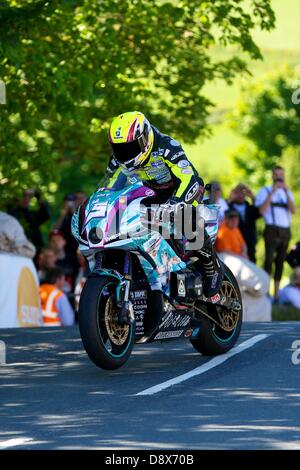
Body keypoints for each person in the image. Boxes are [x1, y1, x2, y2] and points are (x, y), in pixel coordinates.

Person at [105, 111, 224, 297]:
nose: (125, 154)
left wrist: (177, 202)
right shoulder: (118, 161)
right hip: (152, 193)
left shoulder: (167, 146)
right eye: (120, 149)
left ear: (145, 138)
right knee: (126, 220)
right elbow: (108, 187)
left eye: (130, 147)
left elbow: (187, 177)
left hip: (184, 187)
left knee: (182, 215)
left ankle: (211, 265)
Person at [255, 166, 296, 299]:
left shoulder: (286, 192)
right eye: (277, 175)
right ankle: (266, 292)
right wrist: (272, 193)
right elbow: (261, 211)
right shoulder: (265, 190)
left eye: (281, 175)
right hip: (272, 229)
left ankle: (277, 294)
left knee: (280, 261)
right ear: (272, 176)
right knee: (268, 260)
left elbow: (293, 210)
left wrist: (286, 191)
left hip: (285, 230)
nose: (279, 178)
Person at [9, 189, 50, 253]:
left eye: (29, 197)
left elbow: (46, 214)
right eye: (23, 196)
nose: (26, 199)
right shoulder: (12, 215)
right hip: (18, 250)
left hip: (36, 251)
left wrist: (37, 194)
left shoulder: (32, 216)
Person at [227, 183, 260, 263]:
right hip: (234, 242)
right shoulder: (229, 207)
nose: (240, 195)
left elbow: (260, 212)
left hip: (250, 243)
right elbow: (223, 210)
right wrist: (231, 198)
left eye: (243, 192)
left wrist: (252, 197)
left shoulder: (250, 208)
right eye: (237, 192)